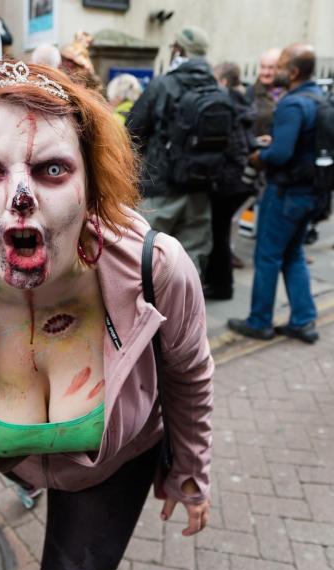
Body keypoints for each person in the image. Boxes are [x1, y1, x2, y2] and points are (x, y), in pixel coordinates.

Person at [0, 60, 213, 570]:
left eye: (52, 170)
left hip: (112, 467)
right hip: (15, 462)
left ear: (92, 185)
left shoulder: (154, 271)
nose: (21, 196)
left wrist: (189, 465)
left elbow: (187, 375)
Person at [228, 44, 322, 344]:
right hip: (311, 192)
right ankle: (303, 321)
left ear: (293, 72)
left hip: (284, 194)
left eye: (280, 64)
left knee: (267, 256)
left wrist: (260, 155)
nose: (275, 70)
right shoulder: (318, 98)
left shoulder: (292, 104)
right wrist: (277, 142)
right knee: (293, 254)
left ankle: (260, 322)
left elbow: (281, 154)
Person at [127, 26, 219, 275]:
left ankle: (148, 311)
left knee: (145, 257)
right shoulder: (216, 90)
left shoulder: (162, 85)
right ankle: (186, 311)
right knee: (191, 261)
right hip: (200, 190)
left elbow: (131, 132)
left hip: (161, 190)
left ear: (178, 50)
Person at [203, 62, 256, 300]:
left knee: (219, 234)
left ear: (223, 81)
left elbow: (232, 147)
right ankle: (220, 283)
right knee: (221, 233)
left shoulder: (226, 105)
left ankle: (221, 286)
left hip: (227, 181)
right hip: (238, 180)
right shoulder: (241, 101)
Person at [246, 48, 284, 138]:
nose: (265, 72)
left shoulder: (289, 92)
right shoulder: (251, 92)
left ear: (281, 69)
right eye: (263, 67)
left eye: (271, 68)